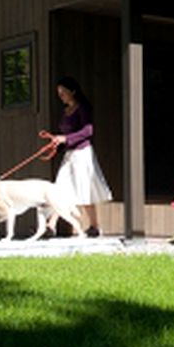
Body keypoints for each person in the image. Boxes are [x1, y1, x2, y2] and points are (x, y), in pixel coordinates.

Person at [46, 76, 112, 237]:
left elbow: (88, 131)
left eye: (63, 92)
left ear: (73, 92)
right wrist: (58, 142)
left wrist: (65, 138)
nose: (61, 96)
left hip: (82, 154)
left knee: (84, 188)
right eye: (59, 93)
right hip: (70, 154)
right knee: (60, 188)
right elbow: (67, 136)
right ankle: (51, 225)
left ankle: (94, 226)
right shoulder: (66, 110)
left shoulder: (82, 107)